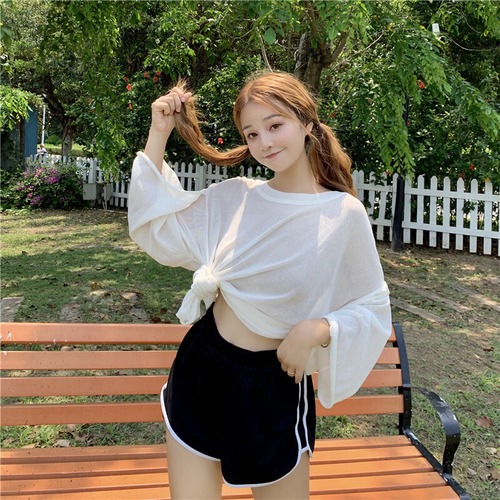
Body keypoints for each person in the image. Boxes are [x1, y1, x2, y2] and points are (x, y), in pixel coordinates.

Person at [128, 71, 391, 499]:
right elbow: (157, 225)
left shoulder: (342, 214)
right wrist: (159, 132)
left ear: (306, 122)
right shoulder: (236, 197)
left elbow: (372, 305)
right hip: (202, 371)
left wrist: (319, 329)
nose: (264, 142)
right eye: (252, 133)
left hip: (273, 387)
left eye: (275, 125)